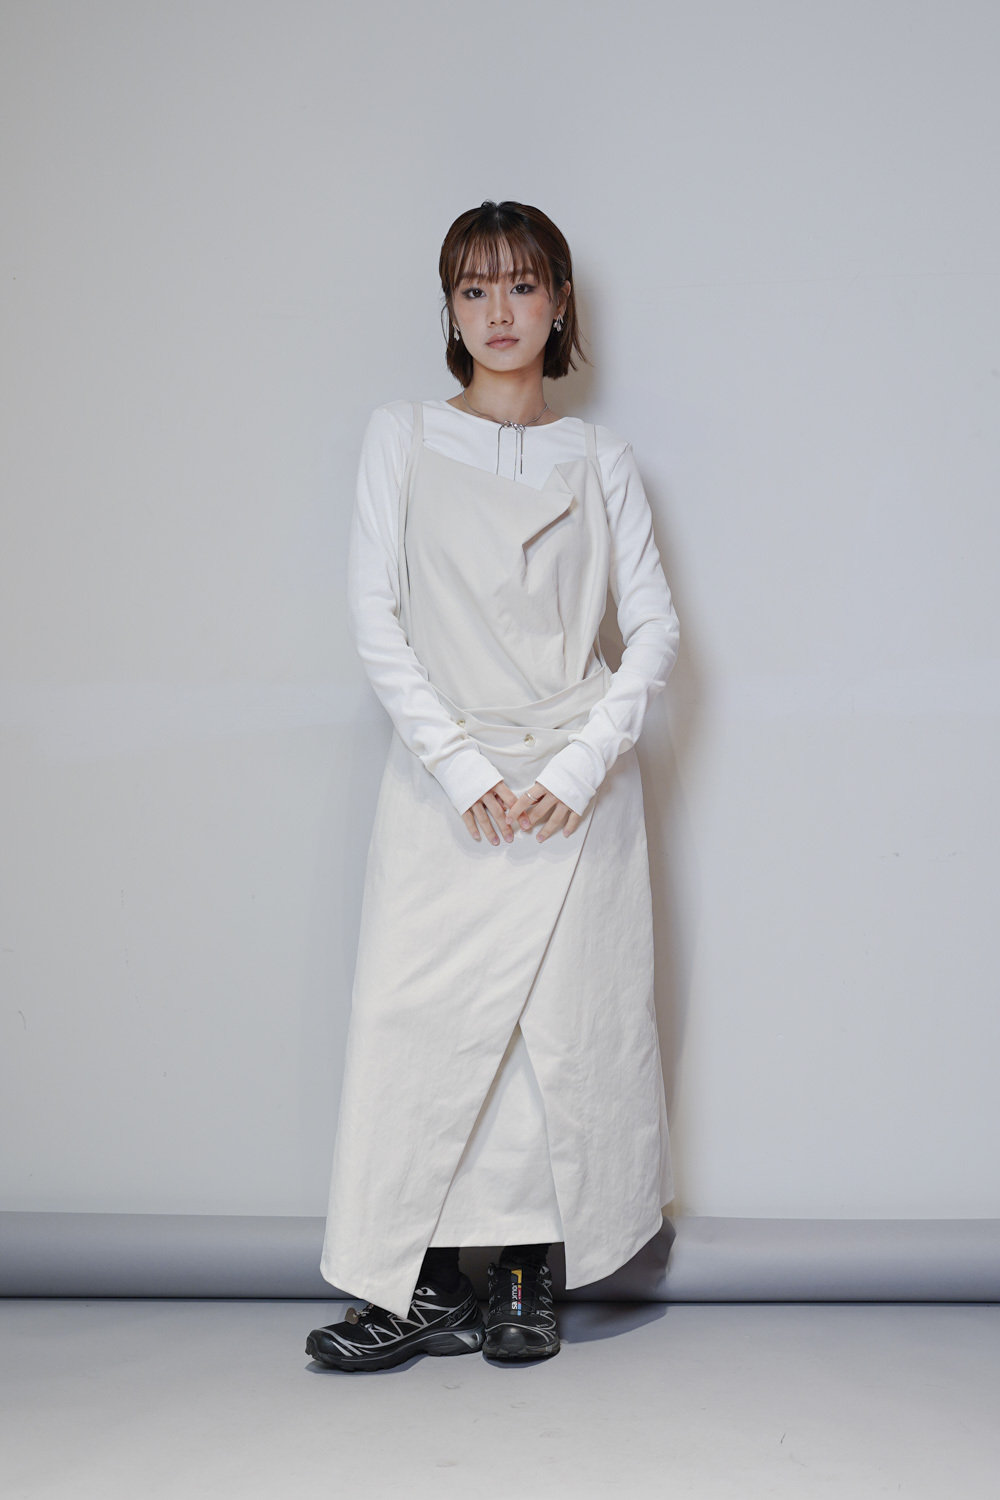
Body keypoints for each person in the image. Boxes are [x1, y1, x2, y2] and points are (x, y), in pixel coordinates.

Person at [306, 200, 680, 1372]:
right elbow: (375, 619)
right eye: (474, 289)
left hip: (576, 790)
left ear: (559, 302)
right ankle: (412, 1280)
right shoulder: (402, 436)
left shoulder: (602, 460)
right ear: (450, 310)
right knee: (411, 1022)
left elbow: (655, 632)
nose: (499, 311)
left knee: (558, 1030)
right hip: (445, 781)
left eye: (522, 286)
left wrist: (576, 766)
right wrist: (463, 767)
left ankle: (524, 1273)